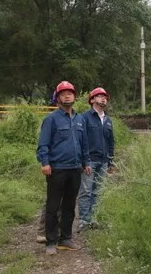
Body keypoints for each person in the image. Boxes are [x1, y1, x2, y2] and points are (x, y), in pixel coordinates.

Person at [37, 81, 91, 255]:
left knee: (69, 206)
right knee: (53, 206)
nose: (67, 95)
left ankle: (65, 238)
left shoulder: (80, 119)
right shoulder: (51, 119)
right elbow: (43, 144)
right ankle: (51, 241)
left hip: (75, 169)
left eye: (70, 93)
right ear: (58, 98)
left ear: (74, 97)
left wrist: (86, 162)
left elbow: (84, 144)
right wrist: (45, 163)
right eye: (63, 93)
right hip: (57, 169)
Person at [78, 87, 115, 231]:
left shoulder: (108, 120)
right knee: (86, 191)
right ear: (92, 100)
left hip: (104, 161)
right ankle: (83, 220)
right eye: (99, 96)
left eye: (105, 96)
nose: (103, 98)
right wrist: (85, 161)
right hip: (90, 160)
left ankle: (94, 218)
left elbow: (111, 142)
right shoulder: (85, 118)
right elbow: (82, 141)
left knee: (98, 191)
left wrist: (111, 161)